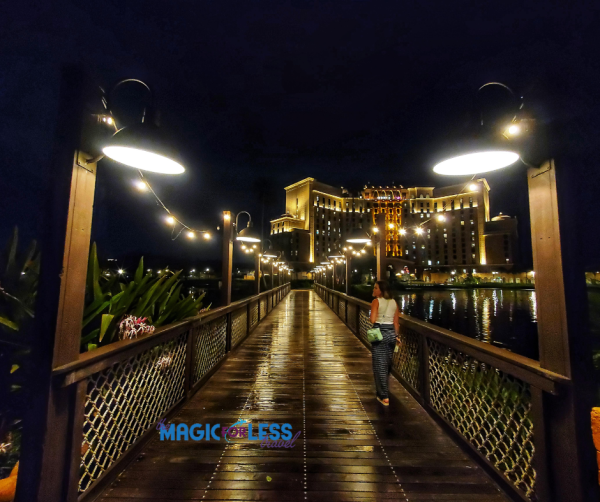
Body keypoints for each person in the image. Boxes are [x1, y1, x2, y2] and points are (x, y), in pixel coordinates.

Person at [369, 280, 400, 406]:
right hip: (391, 333)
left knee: (378, 363)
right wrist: (396, 336)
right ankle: (383, 390)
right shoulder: (394, 302)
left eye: (375, 288)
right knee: (386, 363)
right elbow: (396, 323)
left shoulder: (376, 301)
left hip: (379, 332)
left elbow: (372, 319)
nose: (373, 289)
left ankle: (383, 395)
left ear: (380, 291)